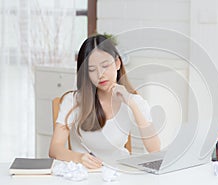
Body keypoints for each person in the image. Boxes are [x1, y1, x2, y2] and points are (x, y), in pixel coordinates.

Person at [49, 34, 161, 169]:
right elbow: (55, 149)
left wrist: (131, 103)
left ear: (118, 63)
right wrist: (78, 158)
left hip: (120, 174)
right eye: (92, 69)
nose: (100, 74)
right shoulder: (73, 101)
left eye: (105, 66)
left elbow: (154, 149)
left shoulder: (133, 101)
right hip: (85, 175)